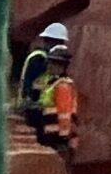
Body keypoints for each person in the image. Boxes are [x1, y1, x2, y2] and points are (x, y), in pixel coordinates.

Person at [18, 23, 76, 157]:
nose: (52, 67)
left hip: (52, 131)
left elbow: (64, 114)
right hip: (41, 119)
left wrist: (64, 138)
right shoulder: (39, 59)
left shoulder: (61, 83)